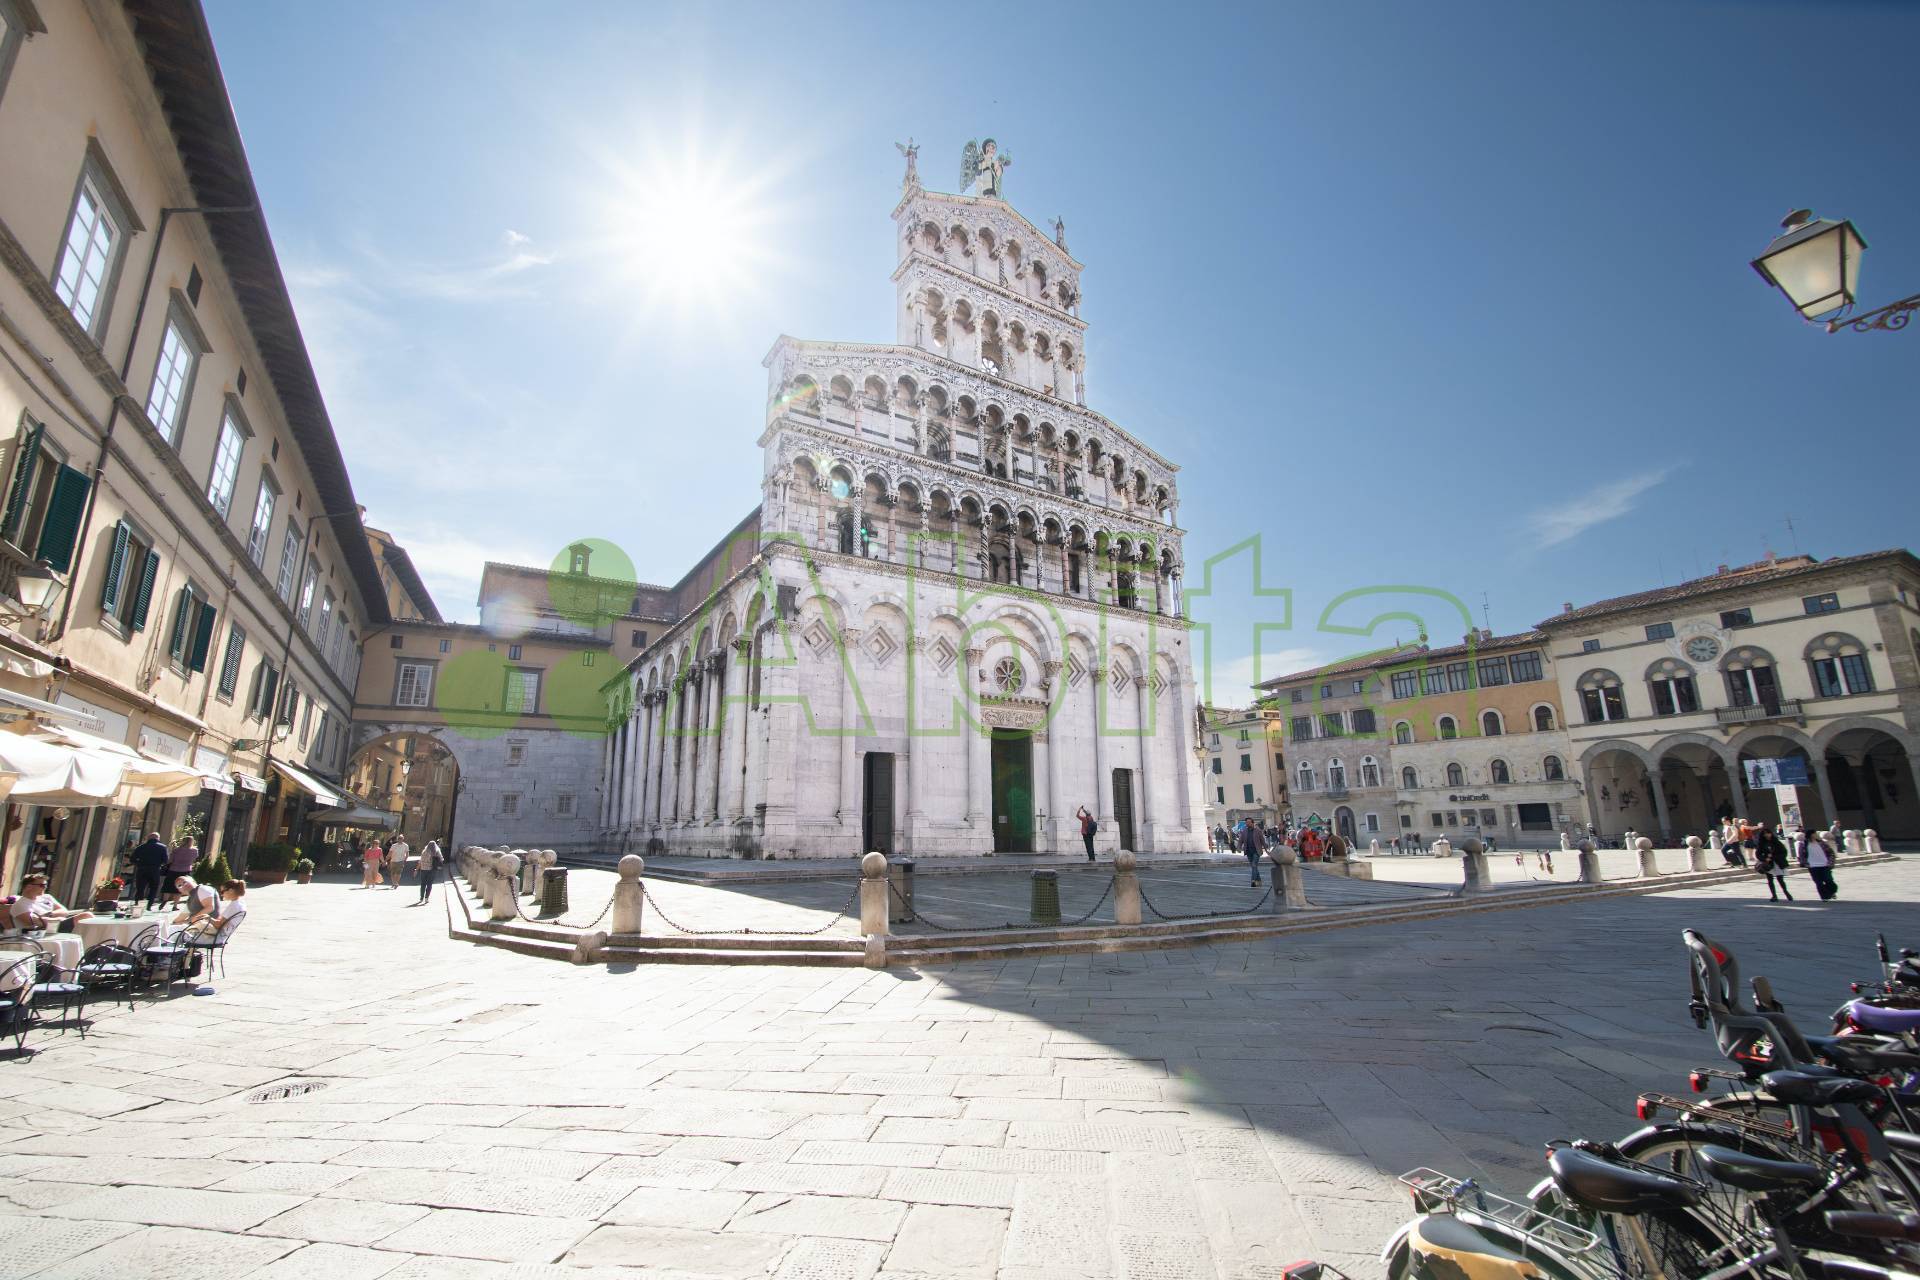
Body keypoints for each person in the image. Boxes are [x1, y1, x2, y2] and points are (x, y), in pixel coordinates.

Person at [8, 874, 92, 930]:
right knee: (86, 916)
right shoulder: (19, 905)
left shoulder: (47, 897)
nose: (44, 888)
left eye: (45, 885)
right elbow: (36, 922)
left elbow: (64, 911)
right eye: (42, 885)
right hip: (41, 932)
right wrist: (58, 918)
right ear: (29, 887)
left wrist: (49, 915)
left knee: (88, 917)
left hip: (55, 926)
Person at [1752, 823, 1794, 902]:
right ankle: (1774, 895)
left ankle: (1786, 892)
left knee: (1780, 879)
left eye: (1768, 833)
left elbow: (1784, 852)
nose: (1767, 835)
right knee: (1770, 880)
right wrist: (1765, 858)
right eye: (1765, 834)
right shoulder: (1761, 843)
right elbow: (1758, 854)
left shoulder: (1776, 841)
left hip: (1777, 862)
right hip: (1768, 864)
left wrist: (1776, 857)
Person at [130, 831, 170, 909]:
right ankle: (149, 905)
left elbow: (132, 859)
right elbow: (165, 861)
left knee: (140, 888)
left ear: (148, 838)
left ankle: (138, 904)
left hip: (142, 870)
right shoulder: (162, 847)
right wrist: (159, 864)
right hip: (155, 870)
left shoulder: (141, 847)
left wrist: (139, 864)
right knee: (153, 888)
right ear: (158, 838)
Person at [1799, 828, 1838, 901]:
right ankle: (1824, 897)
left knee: (1829, 880)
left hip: (1825, 865)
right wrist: (1805, 863)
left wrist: (1830, 862)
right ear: (1811, 835)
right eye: (1815, 833)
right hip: (1813, 866)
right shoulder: (1803, 844)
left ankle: (1832, 892)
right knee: (1818, 882)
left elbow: (1830, 852)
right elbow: (1801, 855)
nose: (1817, 835)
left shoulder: (1822, 843)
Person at [164, 833, 198, 905]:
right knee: (180, 888)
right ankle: (175, 905)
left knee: (168, 885)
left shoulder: (176, 850)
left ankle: (165, 900)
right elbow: (194, 859)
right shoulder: (194, 851)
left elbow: (170, 860)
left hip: (173, 870)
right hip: (185, 871)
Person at [409, 839, 443, 906]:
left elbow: (420, 861)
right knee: (429, 884)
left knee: (423, 884)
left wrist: (416, 870)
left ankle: (421, 898)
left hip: (423, 869)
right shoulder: (437, 851)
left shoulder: (424, 851)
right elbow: (441, 859)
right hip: (432, 870)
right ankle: (426, 898)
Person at [1240, 818, 1267, 886]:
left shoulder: (1258, 830)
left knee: (1254, 865)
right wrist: (1238, 847)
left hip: (1256, 851)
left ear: (1252, 823)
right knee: (1253, 866)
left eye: (1249, 822)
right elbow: (1241, 840)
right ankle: (1259, 881)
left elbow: (1262, 840)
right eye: (1246, 822)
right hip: (1248, 851)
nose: (1247, 823)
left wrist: (1266, 849)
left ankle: (1253, 880)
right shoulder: (1244, 831)